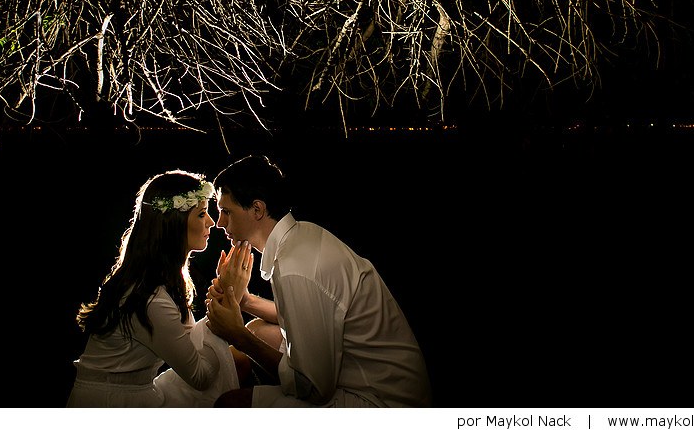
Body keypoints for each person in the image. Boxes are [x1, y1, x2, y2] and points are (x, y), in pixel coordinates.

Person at [205, 155, 432, 408]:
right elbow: (304, 316)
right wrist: (245, 301)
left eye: (226, 212)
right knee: (259, 329)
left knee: (229, 404)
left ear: (257, 209)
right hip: (390, 379)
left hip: (384, 399)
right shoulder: (300, 235)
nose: (219, 223)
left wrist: (237, 335)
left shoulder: (295, 267)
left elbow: (311, 387)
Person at [67, 170, 243, 407]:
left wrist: (223, 293)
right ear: (173, 223)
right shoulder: (150, 298)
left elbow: (190, 343)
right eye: (202, 214)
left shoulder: (158, 281)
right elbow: (200, 376)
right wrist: (225, 307)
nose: (211, 222)